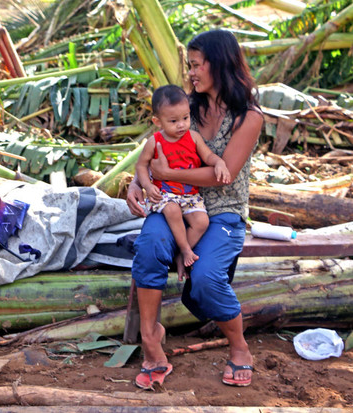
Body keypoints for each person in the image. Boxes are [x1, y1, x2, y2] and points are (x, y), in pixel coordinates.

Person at [126, 30, 262, 389]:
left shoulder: (247, 117)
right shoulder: (186, 106)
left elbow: (224, 174)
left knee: (204, 279)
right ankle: (151, 343)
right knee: (149, 247)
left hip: (223, 212)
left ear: (219, 64)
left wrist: (167, 173)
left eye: (197, 65)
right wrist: (136, 182)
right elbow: (151, 152)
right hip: (172, 203)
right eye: (191, 66)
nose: (192, 73)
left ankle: (239, 348)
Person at [135, 84, 230, 278]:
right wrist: (147, 185)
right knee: (172, 210)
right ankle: (186, 249)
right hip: (164, 194)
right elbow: (141, 166)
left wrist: (219, 163)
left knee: (202, 222)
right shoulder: (155, 141)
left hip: (190, 194)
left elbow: (209, 156)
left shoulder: (193, 138)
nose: (181, 125)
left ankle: (179, 252)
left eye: (185, 118)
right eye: (173, 121)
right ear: (158, 121)